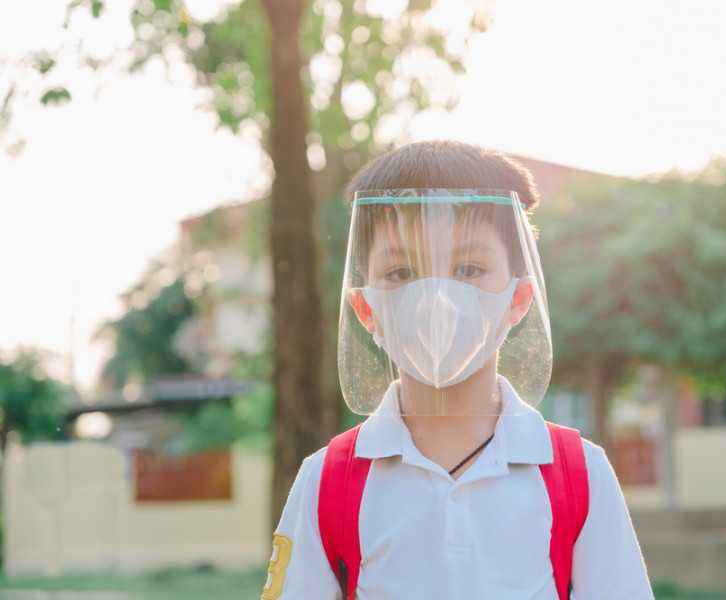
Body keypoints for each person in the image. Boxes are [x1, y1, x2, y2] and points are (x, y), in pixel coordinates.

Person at [261, 140, 653, 600]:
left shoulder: (578, 474)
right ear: (365, 308)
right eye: (401, 273)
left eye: (468, 268)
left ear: (519, 298)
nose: (436, 300)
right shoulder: (328, 480)